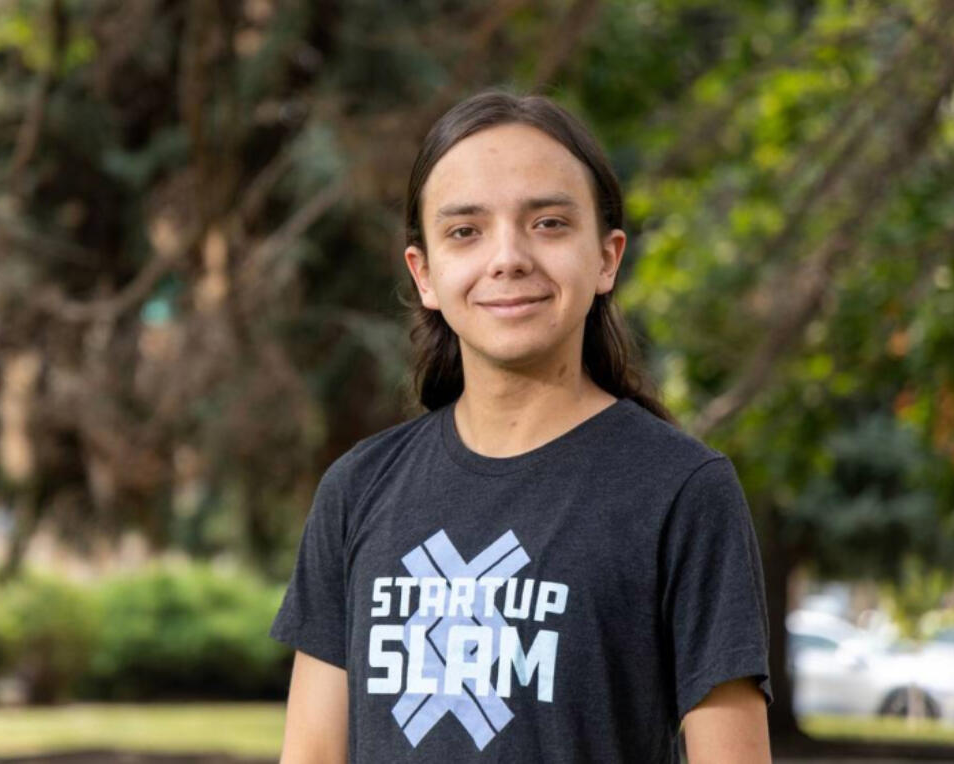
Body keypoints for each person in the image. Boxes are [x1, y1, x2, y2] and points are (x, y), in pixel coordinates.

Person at [269, 87, 773, 763]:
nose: (507, 258)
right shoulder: (358, 489)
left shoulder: (681, 490)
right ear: (424, 273)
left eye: (549, 224)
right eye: (465, 231)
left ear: (607, 258)